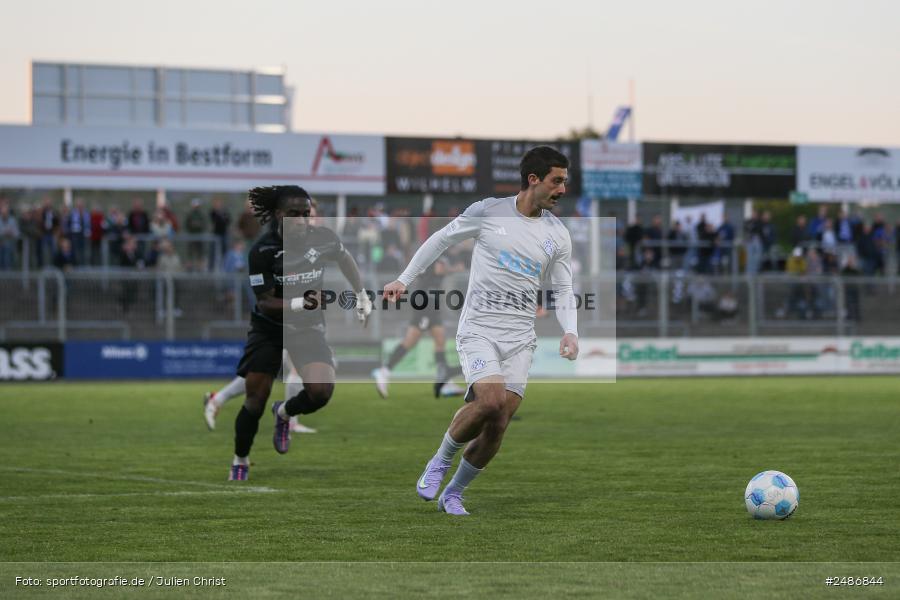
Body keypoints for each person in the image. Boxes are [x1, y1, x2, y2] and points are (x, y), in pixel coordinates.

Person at [382, 146, 579, 516]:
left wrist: (571, 331)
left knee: (499, 421)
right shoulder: (488, 211)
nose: (562, 189)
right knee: (489, 401)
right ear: (533, 180)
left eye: (564, 182)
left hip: (520, 338)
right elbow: (441, 239)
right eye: (557, 181)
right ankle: (439, 461)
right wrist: (404, 279)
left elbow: (564, 288)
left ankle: (454, 493)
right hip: (480, 329)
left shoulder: (558, 234)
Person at [227, 185, 372, 481]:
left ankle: (284, 413)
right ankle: (240, 459)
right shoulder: (262, 250)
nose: (303, 220)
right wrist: (299, 302)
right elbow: (265, 303)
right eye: (295, 214)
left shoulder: (323, 238)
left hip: (306, 326)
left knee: (321, 392)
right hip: (269, 328)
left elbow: (345, 259)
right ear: (279, 215)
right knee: (256, 398)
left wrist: (361, 294)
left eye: (307, 214)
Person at [372, 254, 465, 399]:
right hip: (424, 308)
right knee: (410, 341)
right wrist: (454, 268)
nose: (443, 267)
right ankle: (384, 370)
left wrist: (453, 270)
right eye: (441, 265)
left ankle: (445, 381)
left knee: (440, 341)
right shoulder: (433, 263)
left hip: (432, 309)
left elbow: (442, 270)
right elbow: (439, 268)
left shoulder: (437, 265)